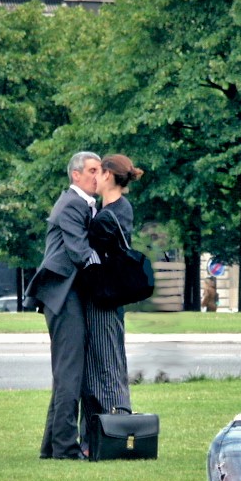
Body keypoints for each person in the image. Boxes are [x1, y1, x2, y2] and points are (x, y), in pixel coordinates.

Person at [23, 151, 102, 460]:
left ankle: (52, 446)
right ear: (76, 175)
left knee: (66, 374)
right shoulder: (72, 204)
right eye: (93, 170)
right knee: (70, 374)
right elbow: (82, 252)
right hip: (62, 294)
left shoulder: (83, 205)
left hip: (68, 294)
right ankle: (66, 449)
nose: (98, 176)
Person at [81, 154, 143, 428]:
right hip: (114, 298)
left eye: (97, 172)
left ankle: (114, 428)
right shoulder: (123, 208)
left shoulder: (106, 217)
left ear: (107, 175)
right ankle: (105, 429)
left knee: (104, 363)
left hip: (103, 298)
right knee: (112, 359)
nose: (93, 177)